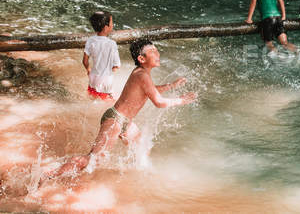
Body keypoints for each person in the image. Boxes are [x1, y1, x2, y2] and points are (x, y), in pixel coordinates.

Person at [39, 39, 197, 184]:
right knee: (93, 159)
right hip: (116, 120)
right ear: (142, 59)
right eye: (152, 51)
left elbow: (151, 91)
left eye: (157, 50)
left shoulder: (142, 75)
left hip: (124, 122)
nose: (157, 53)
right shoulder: (141, 74)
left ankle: (134, 179)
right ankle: (49, 175)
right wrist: (181, 100)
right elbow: (159, 102)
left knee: (142, 147)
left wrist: (172, 86)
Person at [84, 11, 121, 101]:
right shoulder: (112, 44)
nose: (113, 25)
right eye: (112, 23)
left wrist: (89, 70)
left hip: (93, 78)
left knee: (92, 98)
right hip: (106, 81)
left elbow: (85, 61)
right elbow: (117, 65)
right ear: (106, 27)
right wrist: (110, 70)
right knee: (109, 103)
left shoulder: (90, 40)